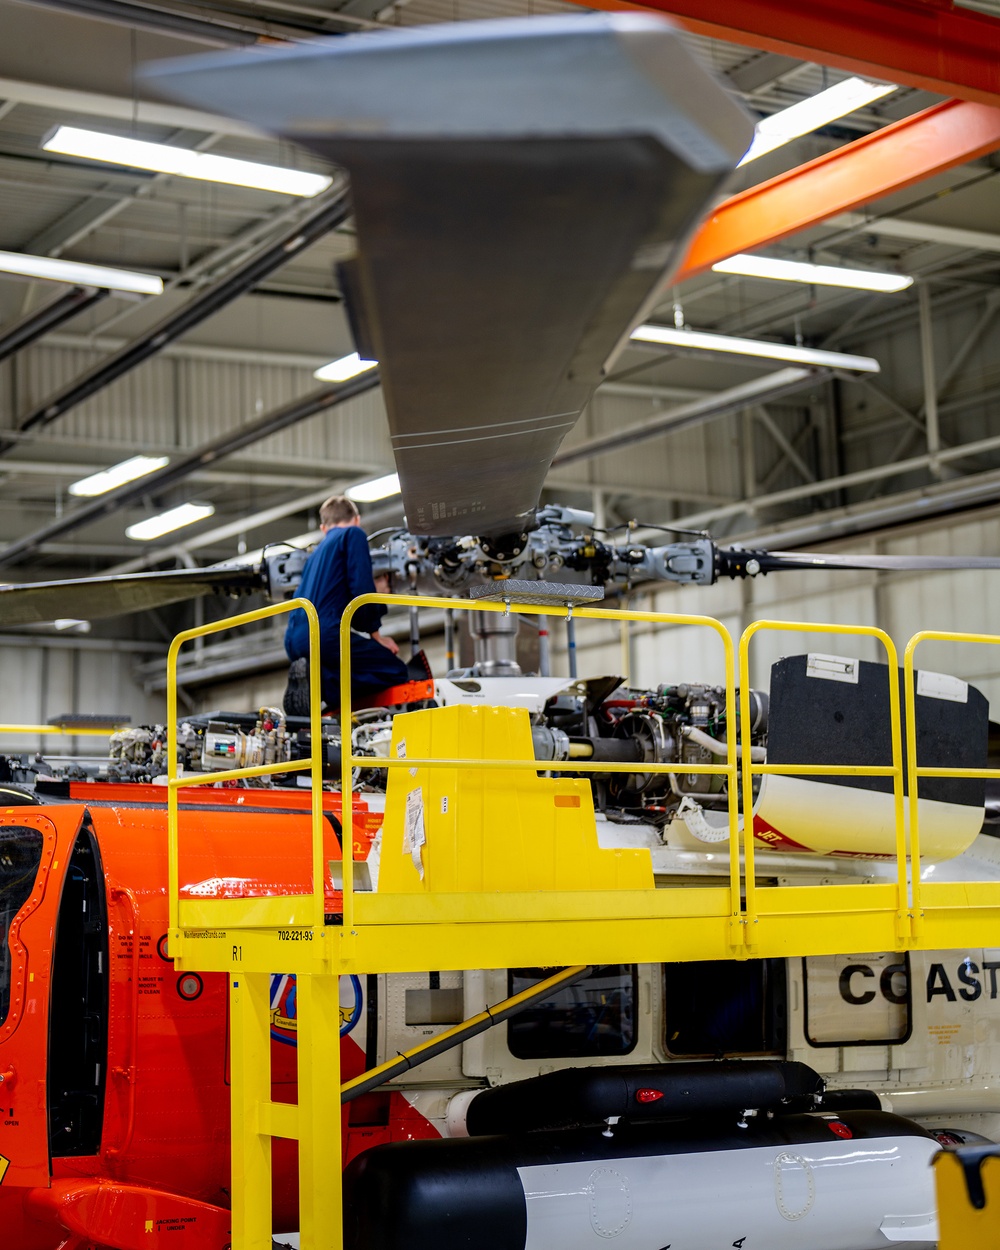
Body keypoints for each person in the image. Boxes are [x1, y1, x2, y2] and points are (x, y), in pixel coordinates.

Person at [283, 494, 408, 714]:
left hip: (294, 640)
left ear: (324, 528)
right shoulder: (353, 534)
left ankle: (318, 679)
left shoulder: (314, 554)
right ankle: (323, 682)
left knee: (341, 667)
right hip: (324, 635)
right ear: (357, 519)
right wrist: (376, 635)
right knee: (394, 670)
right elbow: (361, 587)